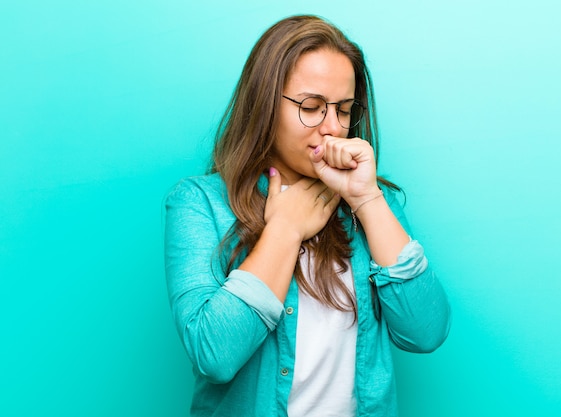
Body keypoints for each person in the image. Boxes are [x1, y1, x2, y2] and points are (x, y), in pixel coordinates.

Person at [164, 14, 451, 417]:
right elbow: (214, 354)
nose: (333, 128)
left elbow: (426, 332)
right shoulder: (199, 203)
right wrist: (285, 228)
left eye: (345, 110)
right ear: (265, 104)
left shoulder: (372, 201)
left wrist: (367, 199)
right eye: (312, 107)